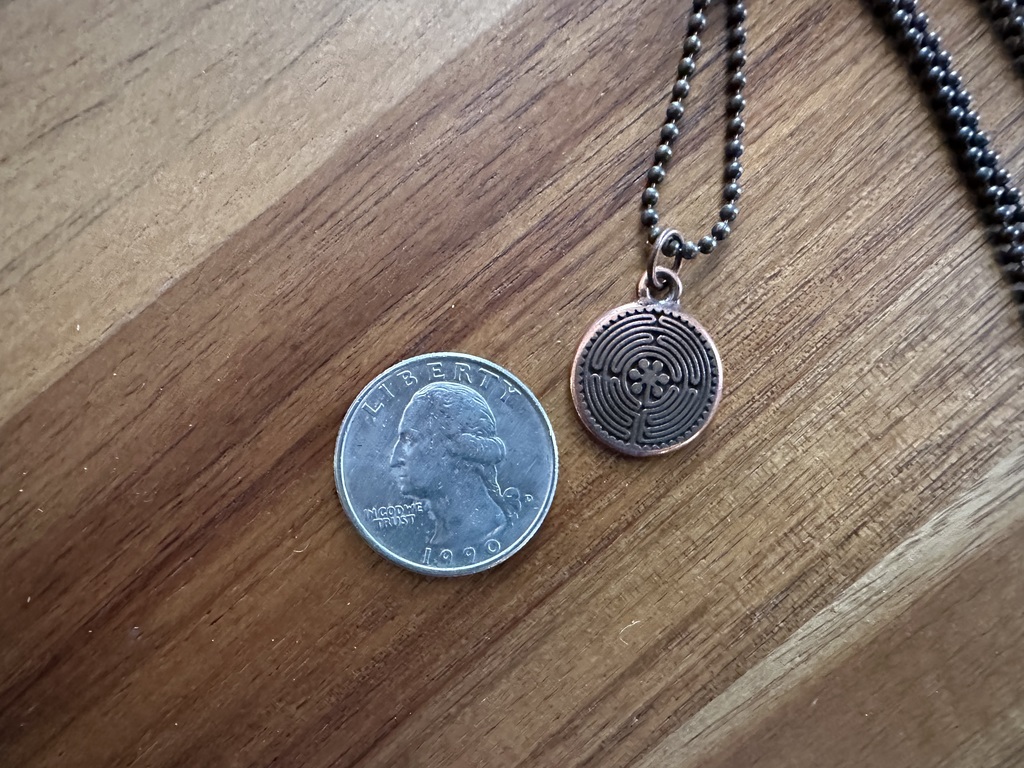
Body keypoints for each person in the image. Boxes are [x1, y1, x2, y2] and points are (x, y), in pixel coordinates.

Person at [390, 382, 521, 548]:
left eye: (410, 440)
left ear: (456, 447)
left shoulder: (486, 530)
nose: (394, 460)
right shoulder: (444, 536)